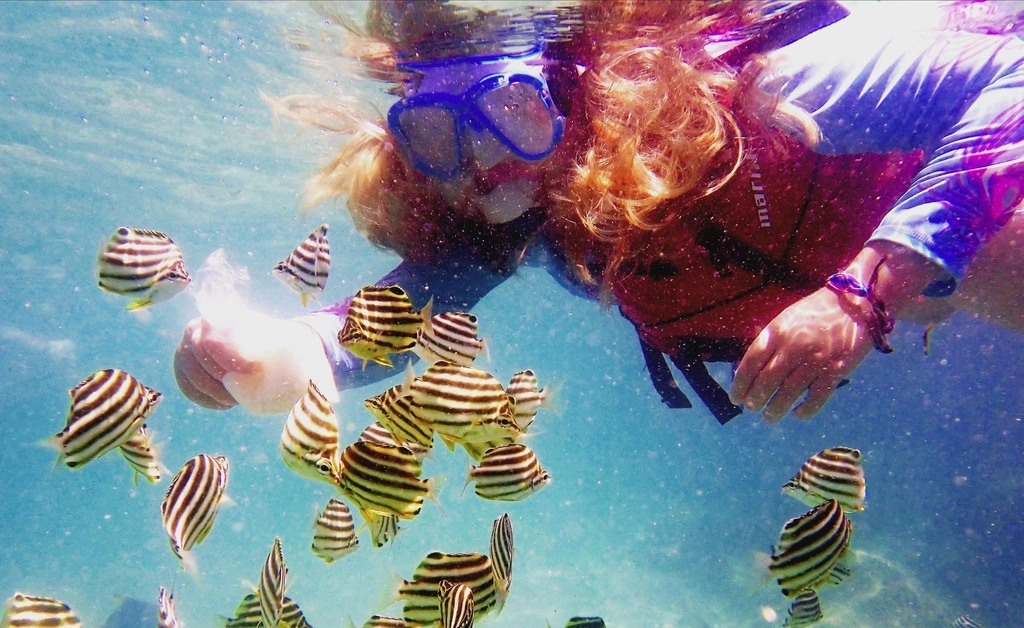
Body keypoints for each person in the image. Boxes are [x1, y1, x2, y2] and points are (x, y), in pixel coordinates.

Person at [175, 0, 1024, 424]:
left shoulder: (770, 92)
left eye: (514, 109)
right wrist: (280, 354)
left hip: (967, 192)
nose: (484, 158)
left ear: (577, 91)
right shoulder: (536, 197)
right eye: (437, 134)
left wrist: (863, 291)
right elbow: (413, 309)